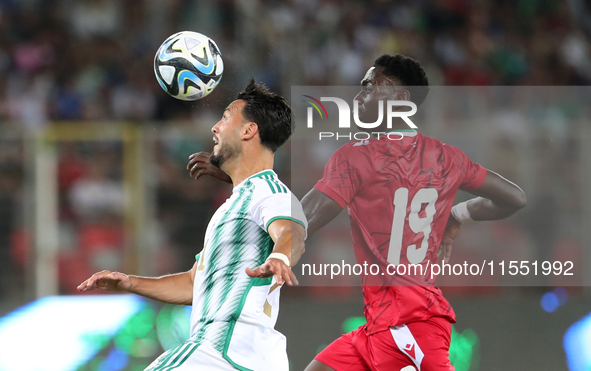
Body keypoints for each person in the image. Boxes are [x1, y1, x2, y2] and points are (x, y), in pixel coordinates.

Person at [187, 55, 526, 371]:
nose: (358, 97)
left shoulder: (357, 158)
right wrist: (457, 215)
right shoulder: (448, 157)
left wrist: (242, 173)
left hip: (412, 323)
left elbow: (299, 220)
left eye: (369, 87)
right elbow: (514, 197)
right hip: (377, 328)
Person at [78, 79, 307, 371]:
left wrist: (279, 255)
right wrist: (131, 283)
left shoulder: (267, 190)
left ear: (249, 131)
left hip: (222, 349)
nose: (215, 127)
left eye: (225, 118)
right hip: (244, 357)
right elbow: (193, 284)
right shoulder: (236, 204)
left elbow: (291, 232)